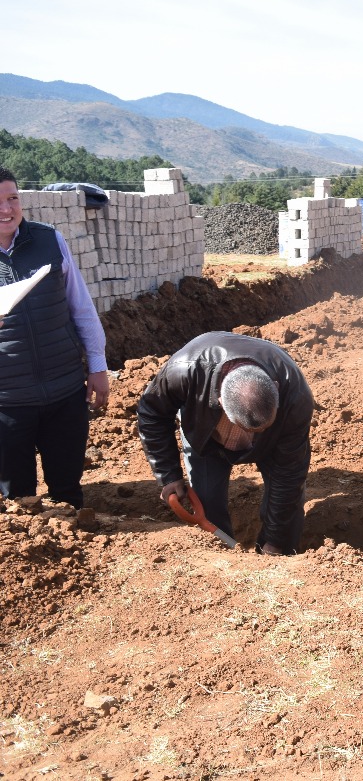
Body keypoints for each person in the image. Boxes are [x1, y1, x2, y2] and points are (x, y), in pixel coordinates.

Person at [137, 331, 314, 555]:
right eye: (246, 429)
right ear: (220, 401)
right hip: (206, 437)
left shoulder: (295, 397)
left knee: (288, 506)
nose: (249, 438)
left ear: (276, 389)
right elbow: (152, 413)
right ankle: (220, 552)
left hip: (274, 445)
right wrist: (167, 474)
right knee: (207, 500)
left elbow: (289, 475)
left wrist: (275, 543)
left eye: (260, 429)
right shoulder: (185, 370)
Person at [0, 166, 110, 510]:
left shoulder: (50, 240)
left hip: (64, 390)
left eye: (12, 198)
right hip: (8, 402)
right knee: (18, 501)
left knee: (68, 491)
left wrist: (97, 366)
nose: (6, 209)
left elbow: (82, 309)